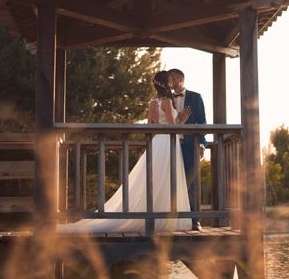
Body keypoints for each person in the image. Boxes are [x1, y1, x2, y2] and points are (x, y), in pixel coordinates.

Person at [58, 71, 192, 234]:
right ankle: (166, 219)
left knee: (154, 179)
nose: (172, 83)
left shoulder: (152, 103)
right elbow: (172, 127)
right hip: (168, 142)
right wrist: (183, 120)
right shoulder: (166, 102)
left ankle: (155, 216)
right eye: (170, 81)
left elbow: (150, 126)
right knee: (168, 178)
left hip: (157, 142)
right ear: (167, 83)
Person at [168, 68, 207, 232]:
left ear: (179, 79)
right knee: (170, 183)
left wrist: (201, 144)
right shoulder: (165, 98)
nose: (169, 82)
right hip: (170, 146)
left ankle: (194, 220)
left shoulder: (196, 97)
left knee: (191, 183)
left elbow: (202, 123)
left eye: (171, 79)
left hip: (190, 146)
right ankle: (171, 221)